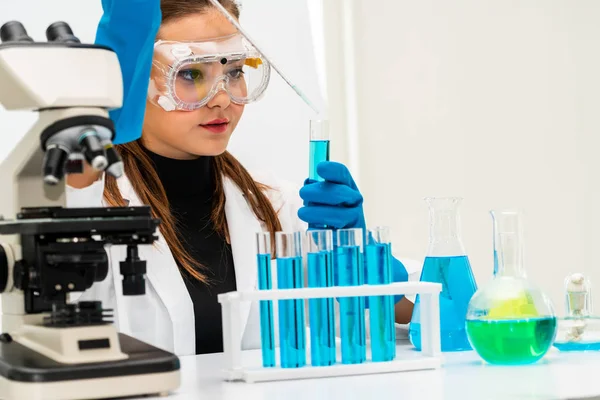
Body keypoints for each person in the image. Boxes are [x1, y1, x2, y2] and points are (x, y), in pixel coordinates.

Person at [67, 0, 419, 356]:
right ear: (135, 76)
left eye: (234, 71)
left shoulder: (275, 208)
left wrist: (366, 266)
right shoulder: (88, 206)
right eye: (190, 74)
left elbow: (403, 325)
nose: (222, 98)